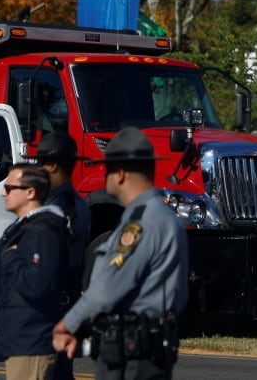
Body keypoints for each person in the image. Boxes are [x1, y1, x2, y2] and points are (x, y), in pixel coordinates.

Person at [52, 126, 189, 380]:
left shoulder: (138, 224)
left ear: (121, 173)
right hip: (152, 349)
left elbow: (106, 289)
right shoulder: (166, 218)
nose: (105, 176)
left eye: (107, 170)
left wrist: (68, 324)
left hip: (129, 356)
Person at [0, 163, 70, 380]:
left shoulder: (43, 231)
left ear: (30, 192)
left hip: (32, 341)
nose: (2, 193)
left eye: (8, 188)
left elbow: (37, 285)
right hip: (20, 340)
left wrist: (11, 257)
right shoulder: (27, 228)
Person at [33, 132, 91, 380]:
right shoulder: (65, 202)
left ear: (53, 165)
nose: (37, 169)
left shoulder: (60, 208)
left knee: (50, 371)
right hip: (60, 297)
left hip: (54, 299)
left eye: (41, 163)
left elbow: (48, 257)